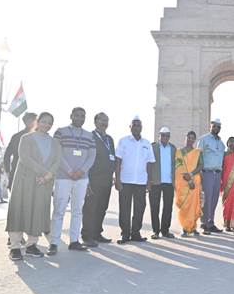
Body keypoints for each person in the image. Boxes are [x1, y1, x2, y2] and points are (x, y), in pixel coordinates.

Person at [6, 112, 61, 261]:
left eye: (50, 122)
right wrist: (44, 173)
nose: (46, 125)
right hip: (25, 180)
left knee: (38, 212)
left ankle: (31, 245)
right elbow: (24, 157)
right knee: (20, 210)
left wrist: (48, 176)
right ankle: (15, 247)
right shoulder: (26, 138)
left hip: (44, 183)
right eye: (44, 121)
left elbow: (57, 160)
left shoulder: (54, 142)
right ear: (37, 121)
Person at [48, 107, 96, 255]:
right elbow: (57, 153)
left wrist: (81, 171)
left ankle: (74, 241)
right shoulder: (61, 132)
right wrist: (69, 171)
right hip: (63, 177)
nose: (80, 118)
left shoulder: (89, 135)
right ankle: (54, 243)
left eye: (83, 116)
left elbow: (91, 156)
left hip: (82, 179)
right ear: (71, 116)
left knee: (77, 210)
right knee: (59, 210)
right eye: (77, 116)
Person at [115, 116, 156, 245]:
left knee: (140, 208)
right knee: (124, 208)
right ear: (130, 127)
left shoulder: (147, 144)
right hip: (125, 180)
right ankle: (125, 234)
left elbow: (149, 163)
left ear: (142, 127)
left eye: (139, 125)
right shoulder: (123, 141)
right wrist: (117, 179)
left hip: (141, 181)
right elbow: (118, 161)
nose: (136, 127)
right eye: (134, 125)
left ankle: (136, 233)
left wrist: (149, 181)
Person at [81, 112, 115, 247]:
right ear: (95, 122)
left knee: (102, 207)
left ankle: (97, 233)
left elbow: (112, 156)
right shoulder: (90, 137)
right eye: (101, 120)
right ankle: (87, 236)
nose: (104, 123)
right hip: (93, 179)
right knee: (90, 208)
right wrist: (86, 179)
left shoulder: (109, 139)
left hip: (106, 180)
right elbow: (85, 158)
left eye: (106, 120)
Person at [197, 118, 226, 234]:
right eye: (214, 126)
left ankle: (211, 222)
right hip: (207, 173)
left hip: (217, 174)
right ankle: (204, 224)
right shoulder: (203, 139)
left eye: (218, 127)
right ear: (210, 126)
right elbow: (198, 155)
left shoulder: (221, 143)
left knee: (214, 200)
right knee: (207, 199)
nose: (216, 128)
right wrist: (199, 173)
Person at [148, 126, 177, 239]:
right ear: (159, 136)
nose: (165, 137)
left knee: (168, 207)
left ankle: (165, 230)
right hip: (155, 181)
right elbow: (149, 164)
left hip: (169, 182)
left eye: (167, 135)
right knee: (154, 206)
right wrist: (148, 181)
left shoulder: (173, 148)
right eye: (163, 135)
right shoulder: (153, 147)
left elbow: (176, 165)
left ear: (169, 137)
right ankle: (156, 231)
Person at [175, 131, 203, 237]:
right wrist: (187, 178)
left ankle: (193, 227)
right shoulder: (178, 152)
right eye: (189, 137)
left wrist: (191, 175)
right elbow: (178, 168)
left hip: (195, 181)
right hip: (183, 182)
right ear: (185, 138)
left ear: (195, 140)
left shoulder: (197, 152)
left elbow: (201, 165)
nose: (190, 140)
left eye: (193, 138)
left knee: (195, 204)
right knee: (185, 206)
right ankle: (185, 228)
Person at [3, 112, 37, 191]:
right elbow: (7, 155)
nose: (34, 122)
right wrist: (8, 171)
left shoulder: (40, 137)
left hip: (34, 174)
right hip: (17, 171)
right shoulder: (17, 137)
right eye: (32, 120)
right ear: (26, 122)